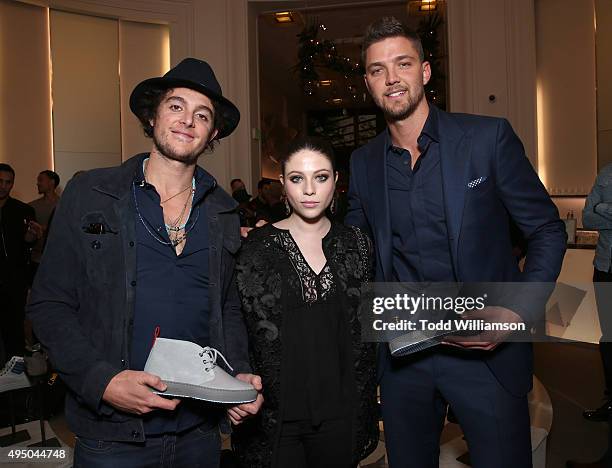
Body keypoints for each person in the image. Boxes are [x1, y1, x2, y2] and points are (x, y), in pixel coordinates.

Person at [346, 17, 566, 467]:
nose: (391, 78)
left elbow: (546, 229)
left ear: (424, 72)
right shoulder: (364, 163)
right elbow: (353, 251)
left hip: (486, 354)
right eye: (377, 69)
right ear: (368, 82)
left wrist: (516, 311)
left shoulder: (487, 138)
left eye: (402, 63)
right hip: (403, 356)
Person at [27, 58, 262, 467]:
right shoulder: (91, 194)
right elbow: (49, 304)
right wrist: (102, 382)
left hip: (199, 434)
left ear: (213, 133)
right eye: (176, 106)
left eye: (202, 115)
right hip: (113, 438)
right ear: (152, 115)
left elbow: (226, 308)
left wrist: (238, 372)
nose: (188, 120)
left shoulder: (223, 212)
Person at [232, 137, 379, 468]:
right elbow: (236, 321)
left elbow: (367, 327)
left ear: (337, 182)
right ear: (283, 184)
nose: (310, 190)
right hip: (277, 417)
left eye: (321, 177)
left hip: (341, 413)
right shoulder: (257, 245)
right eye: (297, 178)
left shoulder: (358, 244)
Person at [570, 164, 612, 468]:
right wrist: (599, 209)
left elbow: (598, 211)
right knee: (608, 341)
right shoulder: (607, 173)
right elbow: (588, 216)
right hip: (605, 268)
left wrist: (603, 206)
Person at [0, 163, 36, 361]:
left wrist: (31, 237)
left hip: (14, 280)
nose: (4, 186)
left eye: (8, 182)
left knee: (14, 328)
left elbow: (29, 243)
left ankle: (15, 375)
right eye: (0, 181)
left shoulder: (22, 210)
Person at [28, 169, 60, 283]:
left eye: (40, 180)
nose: (37, 183)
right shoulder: (31, 207)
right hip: (36, 260)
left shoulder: (64, 205)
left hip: (58, 260)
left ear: (52, 182)